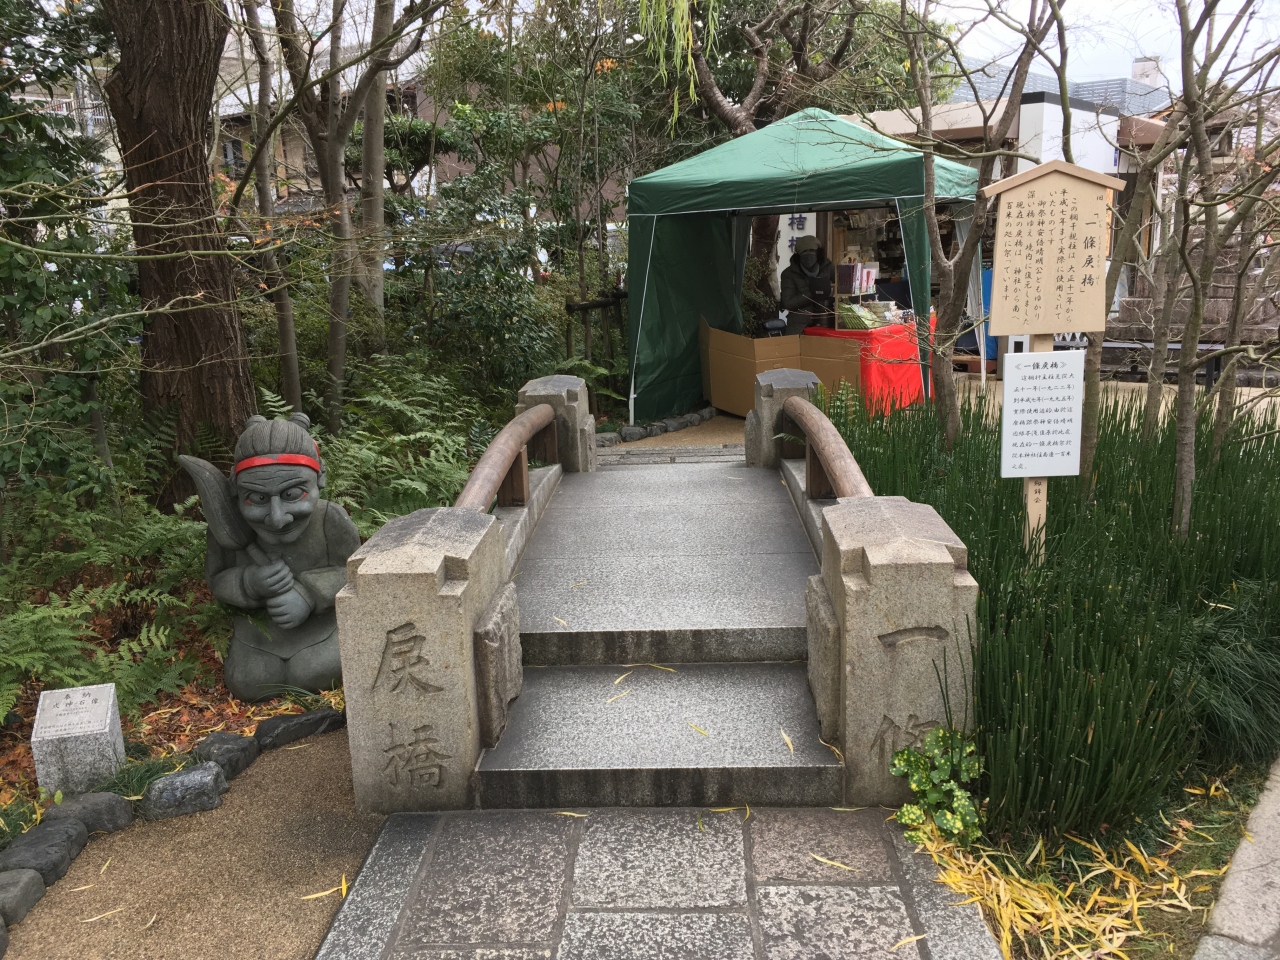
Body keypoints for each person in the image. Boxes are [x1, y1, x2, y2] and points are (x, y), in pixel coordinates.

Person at [203, 414, 361, 701]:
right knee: (250, 680)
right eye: (257, 499)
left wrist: (308, 594)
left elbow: (354, 572)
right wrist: (248, 583)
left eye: (292, 494)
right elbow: (216, 579)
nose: (277, 518)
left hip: (320, 632)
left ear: (320, 478)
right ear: (235, 488)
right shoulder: (226, 528)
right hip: (258, 637)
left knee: (315, 670)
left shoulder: (330, 519)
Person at [780, 235, 836, 334]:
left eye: (812, 250)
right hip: (799, 327)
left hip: (826, 322)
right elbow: (788, 303)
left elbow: (840, 289)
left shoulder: (828, 267)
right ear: (798, 255)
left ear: (818, 252)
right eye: (804, 252)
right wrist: (813, 293)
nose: (809, 255)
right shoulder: (789, 274)